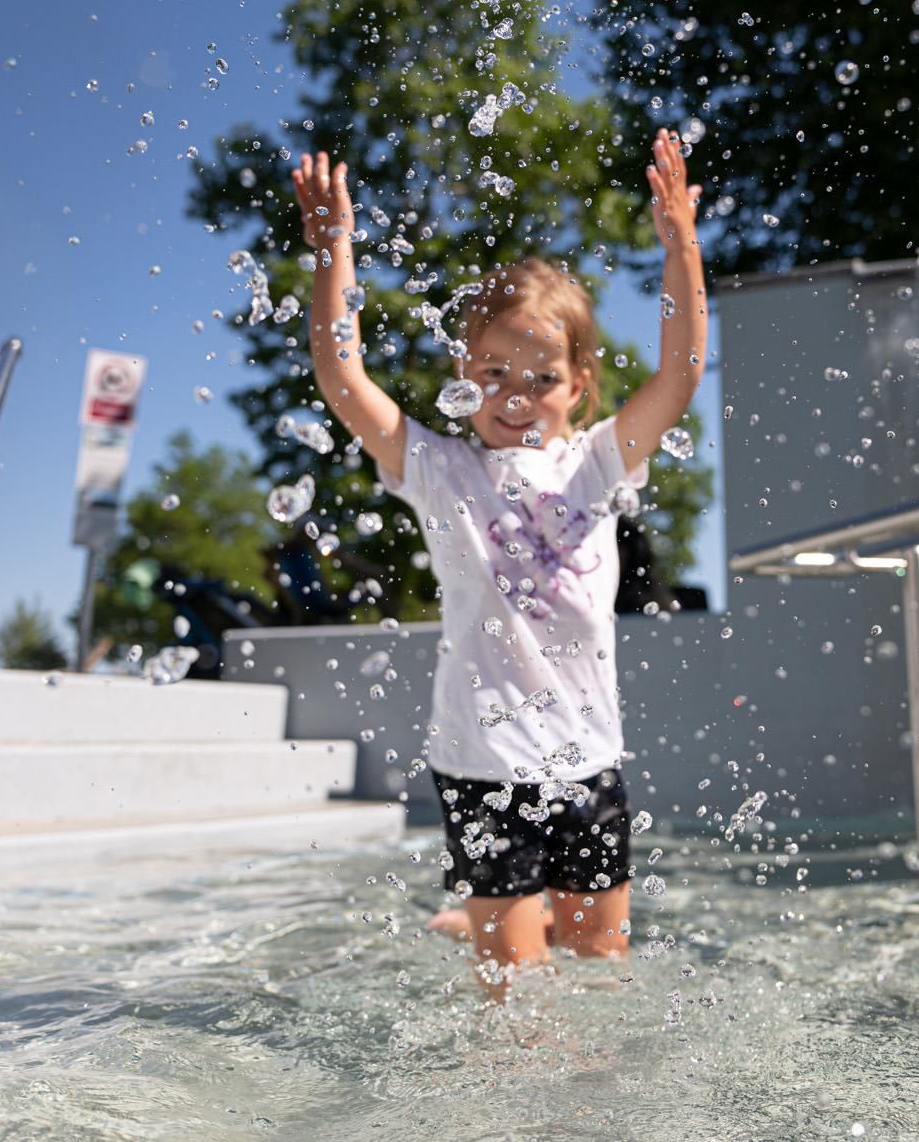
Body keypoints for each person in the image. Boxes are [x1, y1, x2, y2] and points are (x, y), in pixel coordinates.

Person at [291, 130, 706, 995]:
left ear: (579, 383)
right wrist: (335, 254)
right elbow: (341, 375)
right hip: (485, 766)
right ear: (461, 373)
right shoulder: (441, 470)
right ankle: (492, 920)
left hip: (589, 759)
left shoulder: (598, 462)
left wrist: (682, 251)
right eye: (493, 371)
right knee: (516, 998)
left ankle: (499, 917)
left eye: (542, 377)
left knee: (601, 973)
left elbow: (678, 374)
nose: (516, 396)